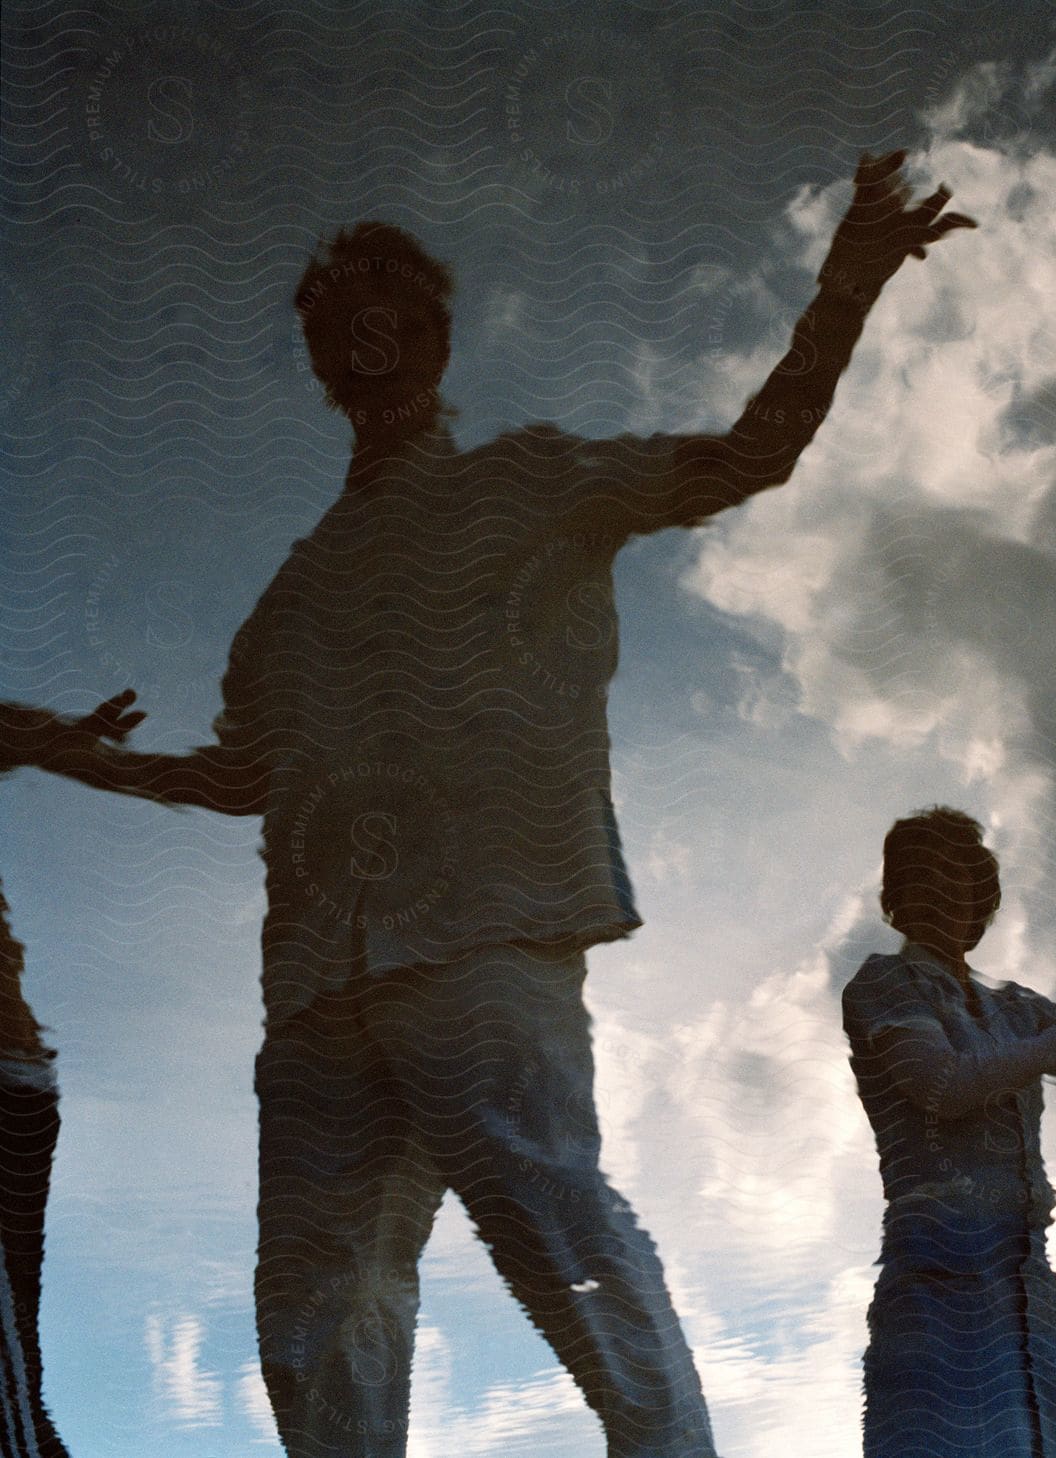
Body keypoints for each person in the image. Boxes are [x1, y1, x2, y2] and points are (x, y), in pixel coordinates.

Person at [46, 153, 974, 1457]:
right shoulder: (285, 610)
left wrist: (847, 285)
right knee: (313, 1323)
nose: (362, 335)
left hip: (482, 940)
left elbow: (749, 454)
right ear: (322, 360)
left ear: (430, 335)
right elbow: (234, 777)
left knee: (562, 1236)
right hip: (315, 990)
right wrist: (52, 748)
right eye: (334, 321)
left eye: (389, 309)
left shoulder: (532, 484)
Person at [841, 807, 1056, 1458]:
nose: (942, 895)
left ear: (981, 898)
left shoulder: (1014, 1007)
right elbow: (941, 1086)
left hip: (1028, 1292)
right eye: (923, 879)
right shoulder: (886, 983)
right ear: (897, 897)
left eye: (959, 879)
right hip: (938, 1286)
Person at [0, 690, 144, 1458]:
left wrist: (75, 735)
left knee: (12, 1331)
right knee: (13, 1334)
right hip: (16, 1077)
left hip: (12, 1078)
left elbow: (9, 731)